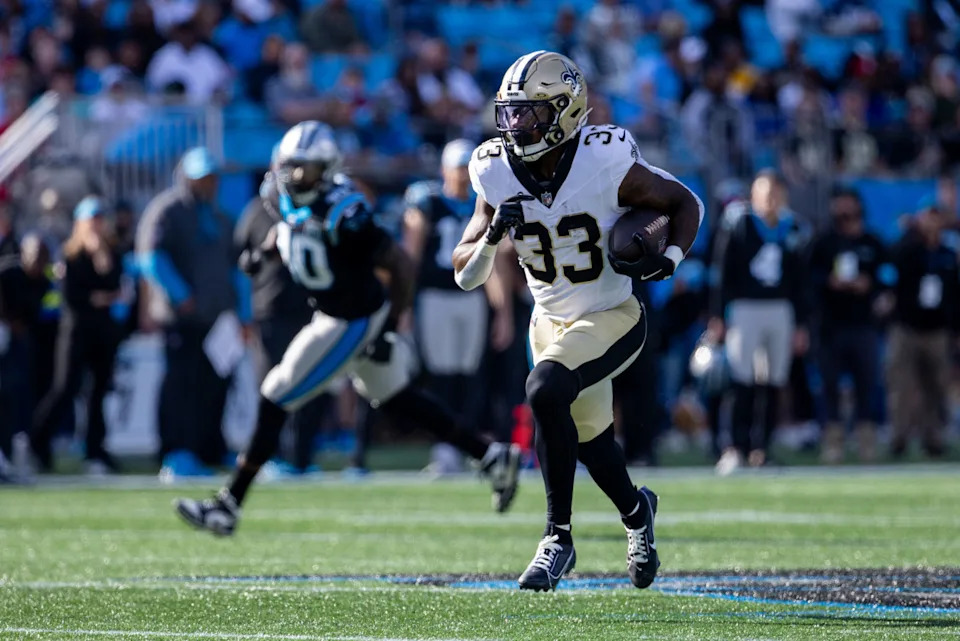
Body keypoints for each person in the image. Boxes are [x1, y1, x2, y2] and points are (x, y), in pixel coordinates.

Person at [174, 121, 523, 536]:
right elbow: (292, 228)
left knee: (275, 395)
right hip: (337, 313)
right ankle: (491, 455)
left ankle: (228, 505)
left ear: (325, 169)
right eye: (288, 166)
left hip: (352, 319)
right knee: (397, 398)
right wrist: (265, 253)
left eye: (302, 169)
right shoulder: (283, 197)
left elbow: (401, 265)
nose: (291, 176)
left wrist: (390, 327)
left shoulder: (346, 211)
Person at [453, 52, 703, 591]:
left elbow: (685, 203)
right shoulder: (493, 168)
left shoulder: (604, 158)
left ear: (567, 112)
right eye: (511, 113)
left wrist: (670, 259)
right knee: (591, 443)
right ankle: (638, 514)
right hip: (548, 321)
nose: (517, 125)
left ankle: (556, 538)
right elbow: (464, 273)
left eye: (530, 113)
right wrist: (494, 235)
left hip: (612, 313)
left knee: (544, 389)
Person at [137, 147, 251, 477]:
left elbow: (236, 269)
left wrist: (242, 313)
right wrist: (180, 294)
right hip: (182, 319)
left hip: (218, 319)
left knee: (215, 385)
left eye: (212, 177)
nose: (208, 183)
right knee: (180, 386)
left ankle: (210, 449)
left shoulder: (221, 217)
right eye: (202, 177)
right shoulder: (167, 211)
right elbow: (151, 258)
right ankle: (175, 451)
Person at [402, 139, 514, 470]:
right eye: (457, 169)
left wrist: (503, 312)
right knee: (441, 374)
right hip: (435, 296)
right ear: (444, 170)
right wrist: (405, 306)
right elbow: (412, 257)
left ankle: (469, 446)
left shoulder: (482, 205)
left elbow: (492, 264)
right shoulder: (428, 202)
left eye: (467, 169)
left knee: (469, 374)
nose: (463, 177)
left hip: (471, 297)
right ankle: (446, 448)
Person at [709, 171, 809, 474]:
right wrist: (717, 314)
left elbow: (800, 280)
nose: (771, 199)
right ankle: (735, 446)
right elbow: (722, 272)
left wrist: (802, 322)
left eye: (776, 192)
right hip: (745, 308)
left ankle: (762, 448)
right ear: (753, 196)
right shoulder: (739, 223)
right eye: (765, 193)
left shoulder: (792, 228)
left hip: (779, 309)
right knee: (742, 378)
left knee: (774, 380)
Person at [234, 155, 326, 474]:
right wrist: (266, 250)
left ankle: (302, 456)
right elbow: (243, 264)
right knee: (273, 386)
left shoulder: (315, 206)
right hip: (269, 311)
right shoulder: (256, 212)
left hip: (310, 308)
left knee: (310, 384)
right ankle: (273, 456)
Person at [29, 197, 124, 475]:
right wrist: (97, 297)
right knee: (64, 388)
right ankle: (38, 442)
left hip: (102, 333)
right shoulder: (69, 255)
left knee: (98, 392)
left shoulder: (109, 252)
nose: (95, 226)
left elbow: (115, 286)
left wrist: (101, 257)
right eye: (90, 220)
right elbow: (73, 296)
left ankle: (96, 450)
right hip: (76, 332)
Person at [808, 187, 886, 463]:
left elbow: (886, 275)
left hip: (863, 324)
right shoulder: (824, 242)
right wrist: (829, 282)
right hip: (831, 325)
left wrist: (872, 287)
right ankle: (833, 442)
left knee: (867, 383)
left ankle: (866, 441)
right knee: (830, 385)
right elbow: (809, 277)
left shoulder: (872, 242)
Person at [886, 203, 958, 458]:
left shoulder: (948, 254)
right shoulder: (909, 250)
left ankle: (934, 438)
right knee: (902, 385)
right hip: (907, 326)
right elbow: (891, 265)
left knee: (936, 387)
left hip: (937, 329)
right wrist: (912, 234)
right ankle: (899, 439)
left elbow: (954, 293)